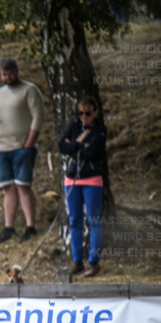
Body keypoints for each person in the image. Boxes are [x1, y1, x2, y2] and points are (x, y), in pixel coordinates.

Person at [0, 57, 45, 245]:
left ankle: (30, 226)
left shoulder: (29, 90)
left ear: (16, 71)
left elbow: (38, 117)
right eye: (3, 74)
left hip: (22, 147)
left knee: (23, 186)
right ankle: (8, 227)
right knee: (8, 188)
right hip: (1, 148)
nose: (7, 77)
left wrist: (29, 143)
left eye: (10, 73)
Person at [58, 96, 108, 278]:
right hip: (72, 178)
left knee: (94, 220)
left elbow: (93, 151)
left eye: (87, 113)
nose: (84, 117)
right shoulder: (74, 127)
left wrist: (74, 146)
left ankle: (94, 261)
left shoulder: (100, 130)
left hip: (92, 178)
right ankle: (77, 260)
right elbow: (61, 146)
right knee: (74, 220)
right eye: (81, 113)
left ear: (95, 113)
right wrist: (80, 146)